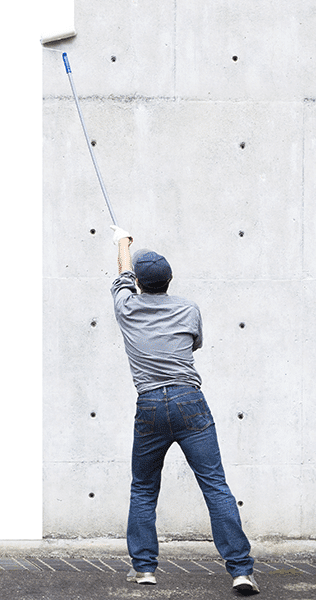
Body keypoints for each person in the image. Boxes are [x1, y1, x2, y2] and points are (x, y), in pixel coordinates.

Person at [109, 225, 259, 595]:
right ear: (170, 280)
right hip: (189, 401)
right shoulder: (188, 309)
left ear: (138, 283)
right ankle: (241, 571)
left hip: (149, 405)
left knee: (144, 488)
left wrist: (122, 242)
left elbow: (123, 274)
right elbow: (193, 345)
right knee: (215, 485)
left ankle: (144, 569)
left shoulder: (127, 307)